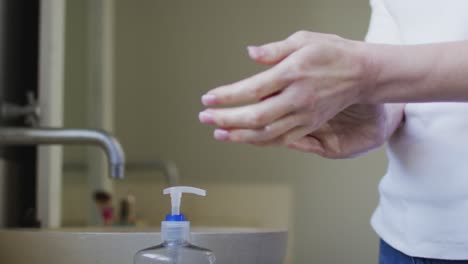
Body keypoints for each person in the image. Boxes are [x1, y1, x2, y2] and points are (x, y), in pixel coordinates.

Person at [198, 0, 468, 263]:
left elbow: (380, 69)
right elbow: (398, 61)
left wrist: (367, 73)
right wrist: (376, 116)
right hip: (403, 236)